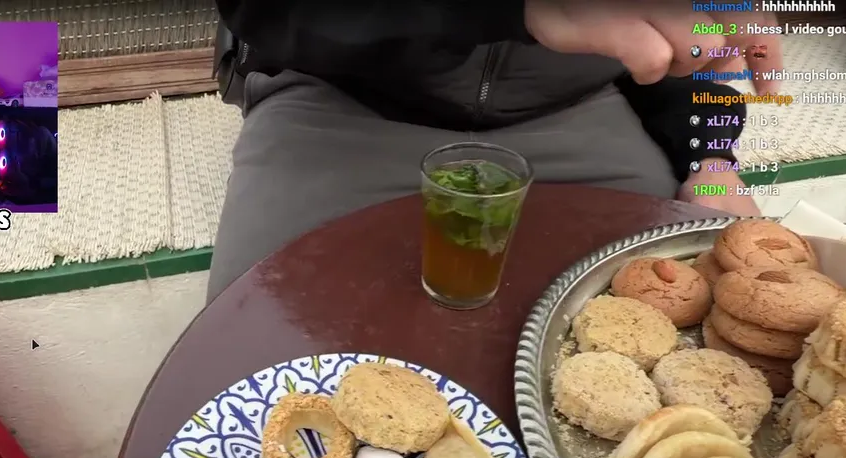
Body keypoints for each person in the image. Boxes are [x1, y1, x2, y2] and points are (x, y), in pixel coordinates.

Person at [207, 0, 785, 302]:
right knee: (249, 352)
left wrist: (709, 159)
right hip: (338, 99)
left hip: (581, 110)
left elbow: (700, 47)